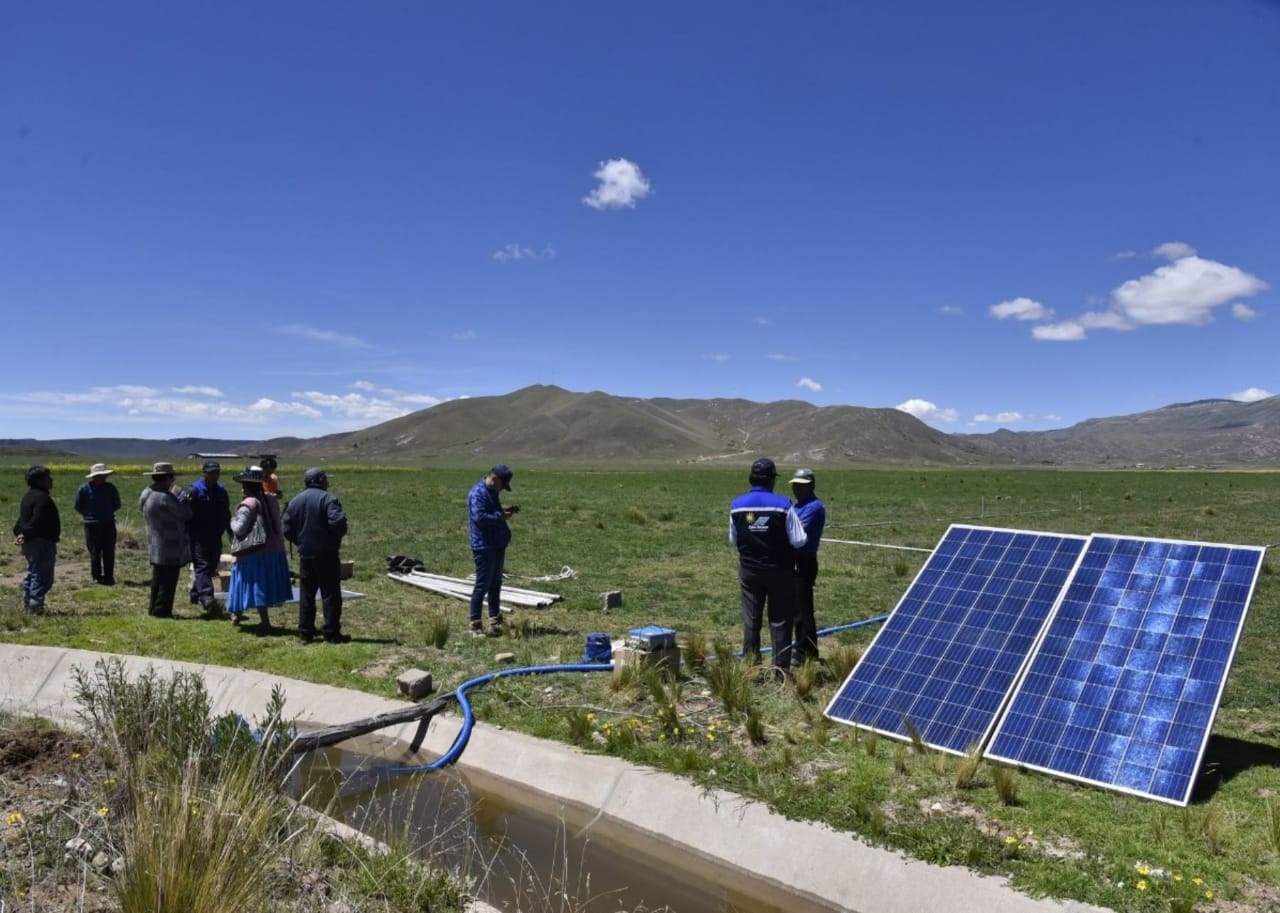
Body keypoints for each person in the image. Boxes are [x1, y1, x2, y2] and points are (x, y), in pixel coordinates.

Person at [729, 457, 807, 670]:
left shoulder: (736, 506)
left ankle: (751, 667)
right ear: (772, 480)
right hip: (780, 571)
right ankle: (780, 670)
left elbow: (733, 539)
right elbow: (799, 540)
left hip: (749, 571)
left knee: (752, 620)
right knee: (780, 620)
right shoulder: (783, 505)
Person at [283, 467, 349, 644]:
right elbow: (339, 523)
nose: (328, 482)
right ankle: (331, 633)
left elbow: (287, 529)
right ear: (320, 480)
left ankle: (305, 632)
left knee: (307, 593)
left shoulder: (295, 501)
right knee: (330, 593)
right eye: (326, 479)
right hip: (326, 553)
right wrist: (332, 539)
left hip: (305, 553)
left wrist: (301, 542)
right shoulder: (328, 499)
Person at [226, 465, 292, 634]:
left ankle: (258, 620)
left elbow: (239, 528)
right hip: (274, 548)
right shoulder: (271, 499)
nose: (242, 488)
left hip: (252, 550)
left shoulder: (249, 503)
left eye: (244, 485)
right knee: (261, 583)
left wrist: (231, 520)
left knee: (251, 583)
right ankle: (238, 614)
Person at [467, 464, 516, 637]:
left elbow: (491, 513)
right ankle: (475, 625)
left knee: (495, 584)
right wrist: (501, 516)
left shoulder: (492, 493)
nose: (502, 490)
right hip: (484, 545)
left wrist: (502, 512)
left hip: (497, 544)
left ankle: (495, 621)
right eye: (502, 485)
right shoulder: (477, 493)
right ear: (495, 479)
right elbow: (479, 518)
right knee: (482, 585)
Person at [138, 462, 191, 618]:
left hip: (154, 543)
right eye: (171, 478)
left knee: (158, 578)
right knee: (168, 581)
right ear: (167, 478)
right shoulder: (165, 497)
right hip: (170, 544)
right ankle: (162, 611)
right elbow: (185, 514)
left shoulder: (146, 493)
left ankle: (153, 608)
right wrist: (184, 499)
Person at [789, 468, 827, 665]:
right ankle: (810, 649)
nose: (797, 489)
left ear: (811, 486)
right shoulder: (797, 506)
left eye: (801, 486)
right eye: (795, 485)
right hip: (794, 560)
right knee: (797, 607)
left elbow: (795, 532)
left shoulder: (814, 507)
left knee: (802, 609)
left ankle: (803, 650)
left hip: (804, 561)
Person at [13, 465, 61, 614]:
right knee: (42, 575)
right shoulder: (42, 499)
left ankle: (28, 604)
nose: (51, 480)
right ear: (40, 481)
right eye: (48, 478)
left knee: (33, 572)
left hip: (31, 541)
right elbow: (37, 521)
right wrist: (25, 533)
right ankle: (35, 606)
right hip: (41, 541)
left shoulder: (28, 497)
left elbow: (22, 519)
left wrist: (20, 532)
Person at [186, 461, 232, 613]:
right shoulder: (194, 490)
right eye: (211, 472)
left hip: (216, 535)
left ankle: (195, 593)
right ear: (204, 473)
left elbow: (226, 512)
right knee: (202, 565)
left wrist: (230, 532)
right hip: (198, 536)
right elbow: (184, 513)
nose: (215, 475)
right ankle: (207, 597)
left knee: (211, 566)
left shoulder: (221, 491)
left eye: (217, 472)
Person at [73, 463, 121, 586]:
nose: (103, 478)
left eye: (104, 476)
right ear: (93, 477)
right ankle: (96, 577)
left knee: (109, 551)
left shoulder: (110, 488)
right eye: (100, 476)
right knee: (95, 552)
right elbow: (78, 506)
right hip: (92, 525)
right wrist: (89, 515)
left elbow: (117, 504)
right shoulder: (84, 489)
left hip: (108, 523)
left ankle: (109, 577)